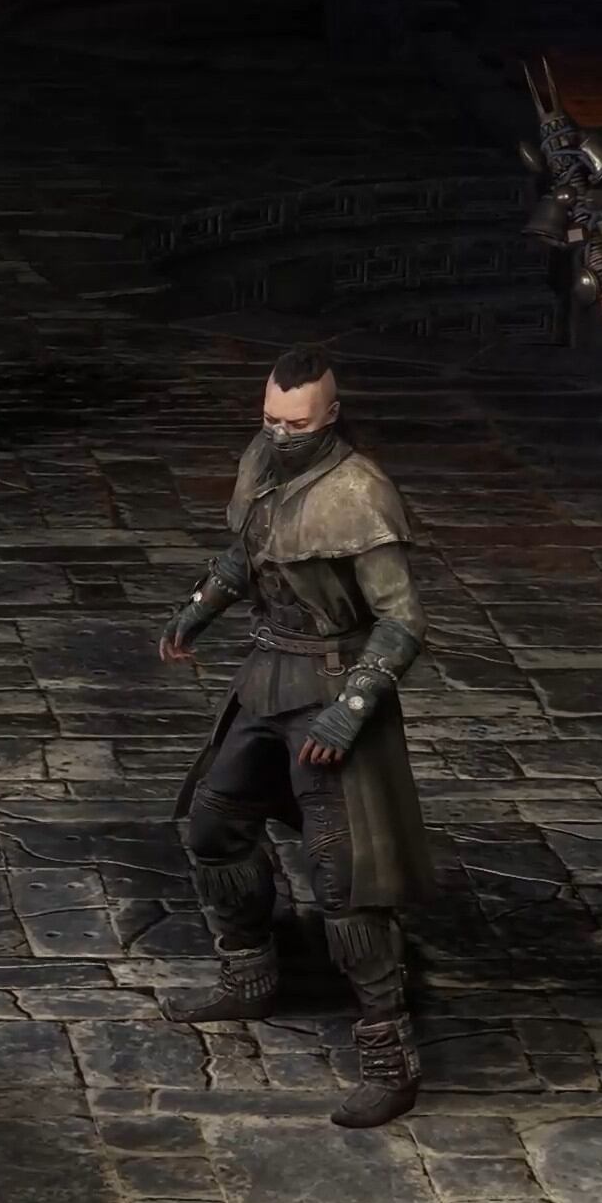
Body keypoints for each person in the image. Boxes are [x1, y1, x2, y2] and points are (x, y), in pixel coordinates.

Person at [157, 346, 439, 1128]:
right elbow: (248, 552)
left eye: (297, 425)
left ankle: (389, 1057)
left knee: (347, 882)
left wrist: (350, 710)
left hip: (329, 687)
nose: (280, 437)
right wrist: (196, 612)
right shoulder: (263, 462)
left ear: (331, 416)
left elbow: (401, 620)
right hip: (266, 678)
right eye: (271, 421)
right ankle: (249, 974)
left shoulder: (360, 493)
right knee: (214, 826)